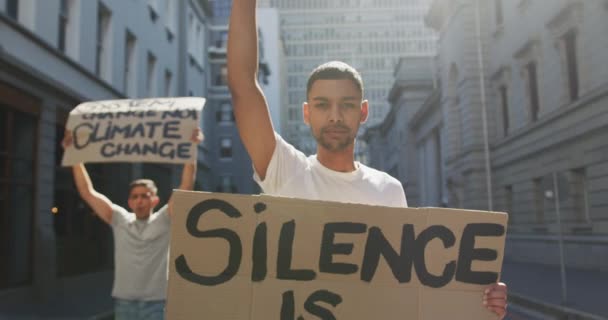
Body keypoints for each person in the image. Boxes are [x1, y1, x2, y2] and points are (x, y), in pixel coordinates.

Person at [226, 0, 508, 317]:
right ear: (307, 113)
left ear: (363, 112)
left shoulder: (389, 190)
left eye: (346, 105)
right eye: (322, 105)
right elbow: (242, 85)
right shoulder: (287, 171)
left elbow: (409, 290)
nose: (335, 116)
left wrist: (478, 297)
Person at [61, 128, 203, 320]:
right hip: (124, 304)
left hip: (157, 304)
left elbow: (186, 188)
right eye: (135, 197)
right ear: (129, 202)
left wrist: (192, 149)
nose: (139, 201)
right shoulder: (119, 219)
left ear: (155, 200)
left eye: (145, 196)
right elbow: (87, 192)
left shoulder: (165, 219)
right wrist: (73, 155)